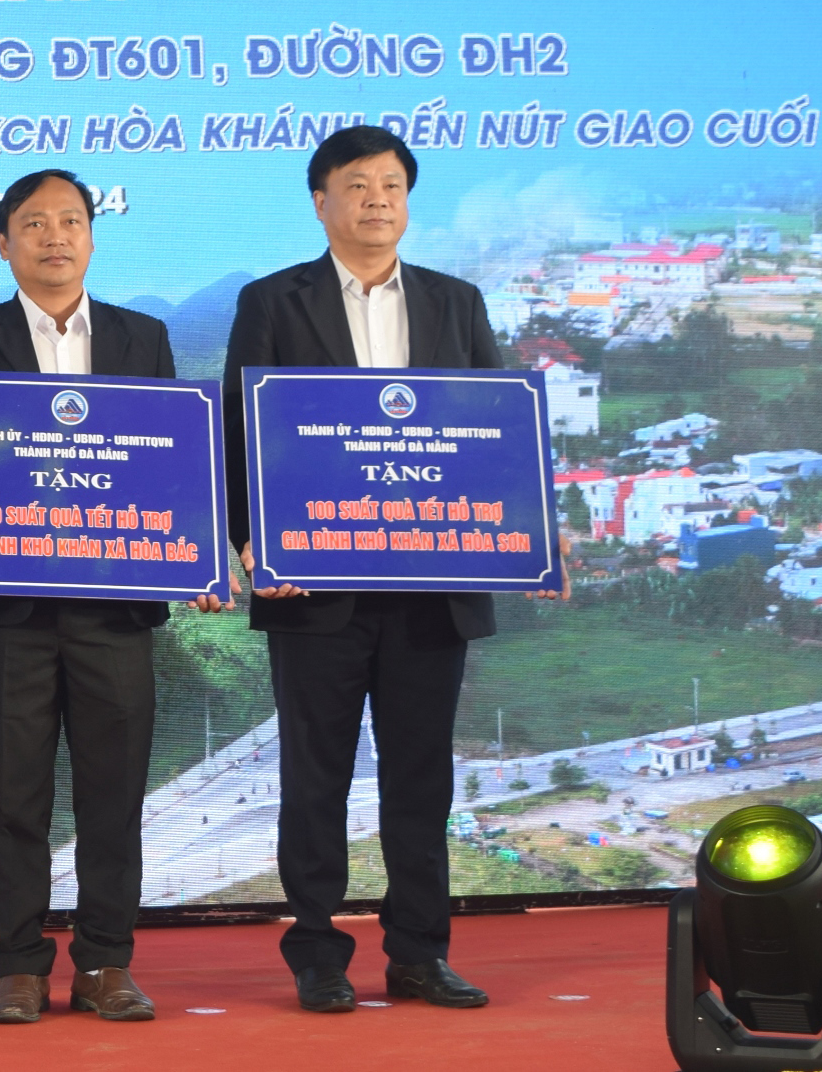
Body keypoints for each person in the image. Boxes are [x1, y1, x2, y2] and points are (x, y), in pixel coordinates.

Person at [222, 125, 563, 1015]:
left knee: (421, 777)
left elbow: (493, 429)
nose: (378, 198)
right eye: (358, 184)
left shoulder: (456, 301)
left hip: (429, 590)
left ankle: (419, 952)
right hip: (313, 587)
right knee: (316, 776)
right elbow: (238, 429)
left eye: (392, 184)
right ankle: (318, 954)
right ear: (321, 200)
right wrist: (251, 542)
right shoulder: (273, 301)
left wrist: (530, 537)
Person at [0, 169, 229, 1025]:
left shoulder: (141, 336)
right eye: (35, 222)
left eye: (71, 220)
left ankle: (105, 964)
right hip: (9, 613)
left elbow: (165, 461)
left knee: (112, 792)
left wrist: (195, 559)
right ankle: (19, 964)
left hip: (114, 614)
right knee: (11, 795)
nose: (56, 236)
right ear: (3, 240)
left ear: (92, 235)